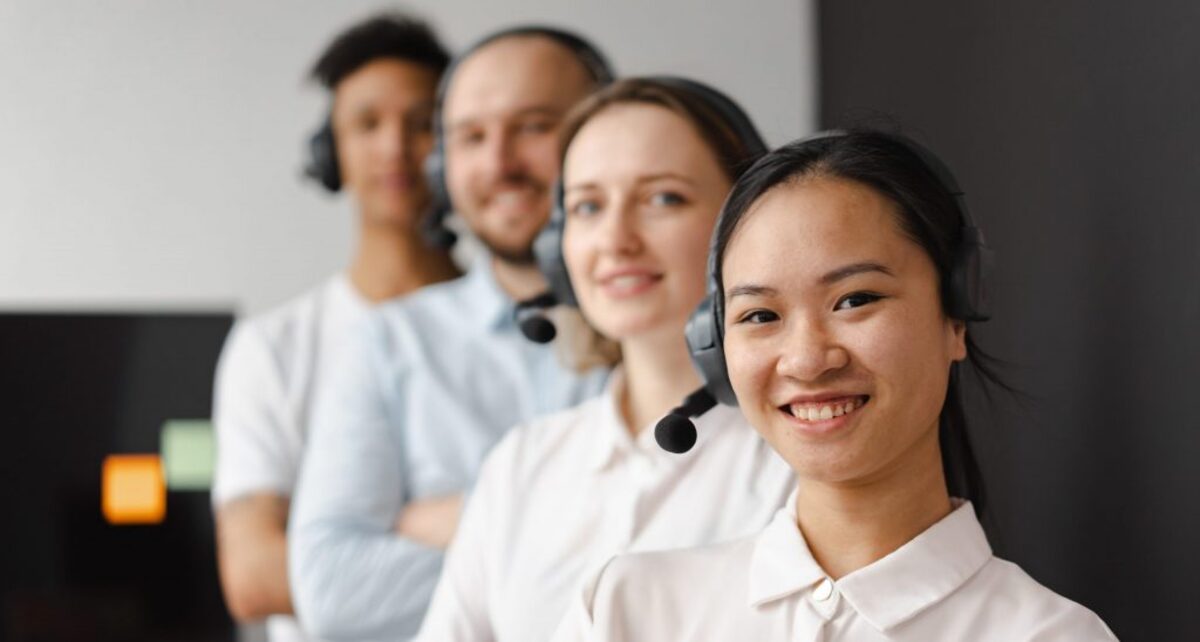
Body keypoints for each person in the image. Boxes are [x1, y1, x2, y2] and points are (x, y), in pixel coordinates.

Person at [553, 131, 1117, 640]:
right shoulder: (624, 610)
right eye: (759, 315)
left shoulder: (1050, 635)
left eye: (855, 300)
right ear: (714, 345)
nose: (805, 359)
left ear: (957, 314)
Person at [415, 77, 795, 642]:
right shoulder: (523, 465)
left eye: (663, 198)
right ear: (557, 247)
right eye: (588, 206)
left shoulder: (801, 460)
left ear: (747, 222)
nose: (616, 239)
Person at [287, 27, 613, 640]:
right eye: (471, 137)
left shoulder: (688, 332)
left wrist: (458, 523)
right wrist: (586, 545)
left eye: (535, 126)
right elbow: (333, 591)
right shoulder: (387, 343)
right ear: (443, 166)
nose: (500, 163)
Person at [210, 14, 457, 642]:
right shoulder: (273, 349)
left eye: (422, 123)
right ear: (330, 153)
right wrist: (440, 527)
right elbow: (253, 575)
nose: (395, 147)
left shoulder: (529, 331)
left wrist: (343, 545)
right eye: (368, 123)